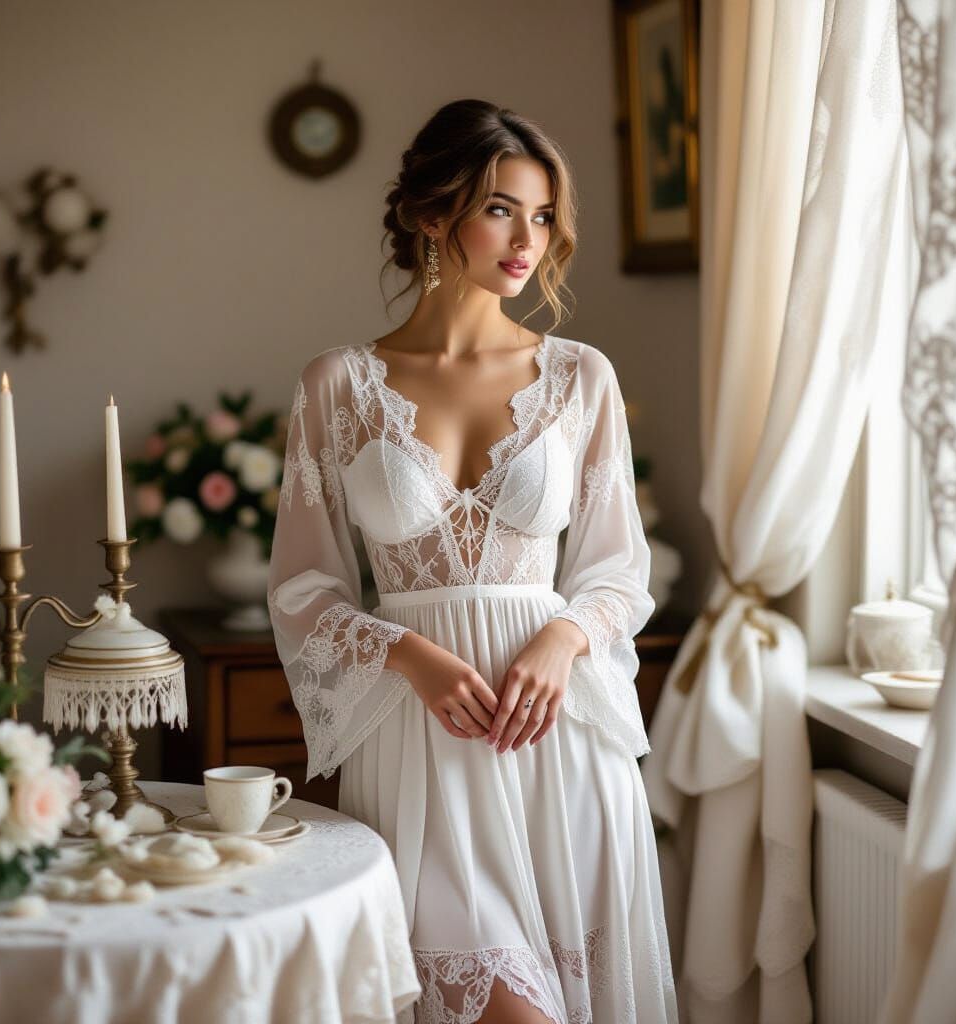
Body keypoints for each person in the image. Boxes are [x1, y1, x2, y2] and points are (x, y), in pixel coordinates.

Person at [268, 98, 678, 1024]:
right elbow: (303, 588)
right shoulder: (336, 385)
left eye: (541, 216)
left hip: (557, 738)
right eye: (500, 209)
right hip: (420, 743)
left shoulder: (582, 378)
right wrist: (404, 652)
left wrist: (564, 637)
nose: (527, 239)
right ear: (429, 215)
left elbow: (619, 570)